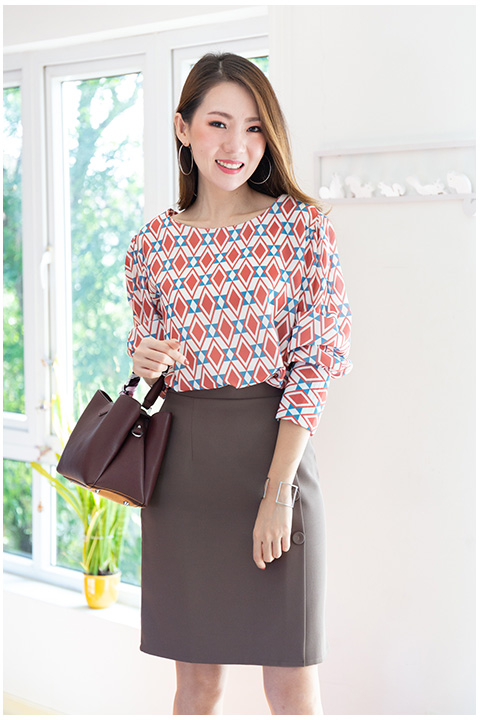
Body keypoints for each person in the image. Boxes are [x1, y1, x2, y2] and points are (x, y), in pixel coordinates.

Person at [124, 52, 353, 715]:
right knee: (196, 688)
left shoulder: (301, 229)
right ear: (183, 127)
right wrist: (142, 364)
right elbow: (145, 385)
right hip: (182, 480)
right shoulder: (150, 246)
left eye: (254, 127)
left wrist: (278, 492)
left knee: (292, 686)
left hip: (276, 467)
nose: (236, 145)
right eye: (218, 123)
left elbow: (313, 369)